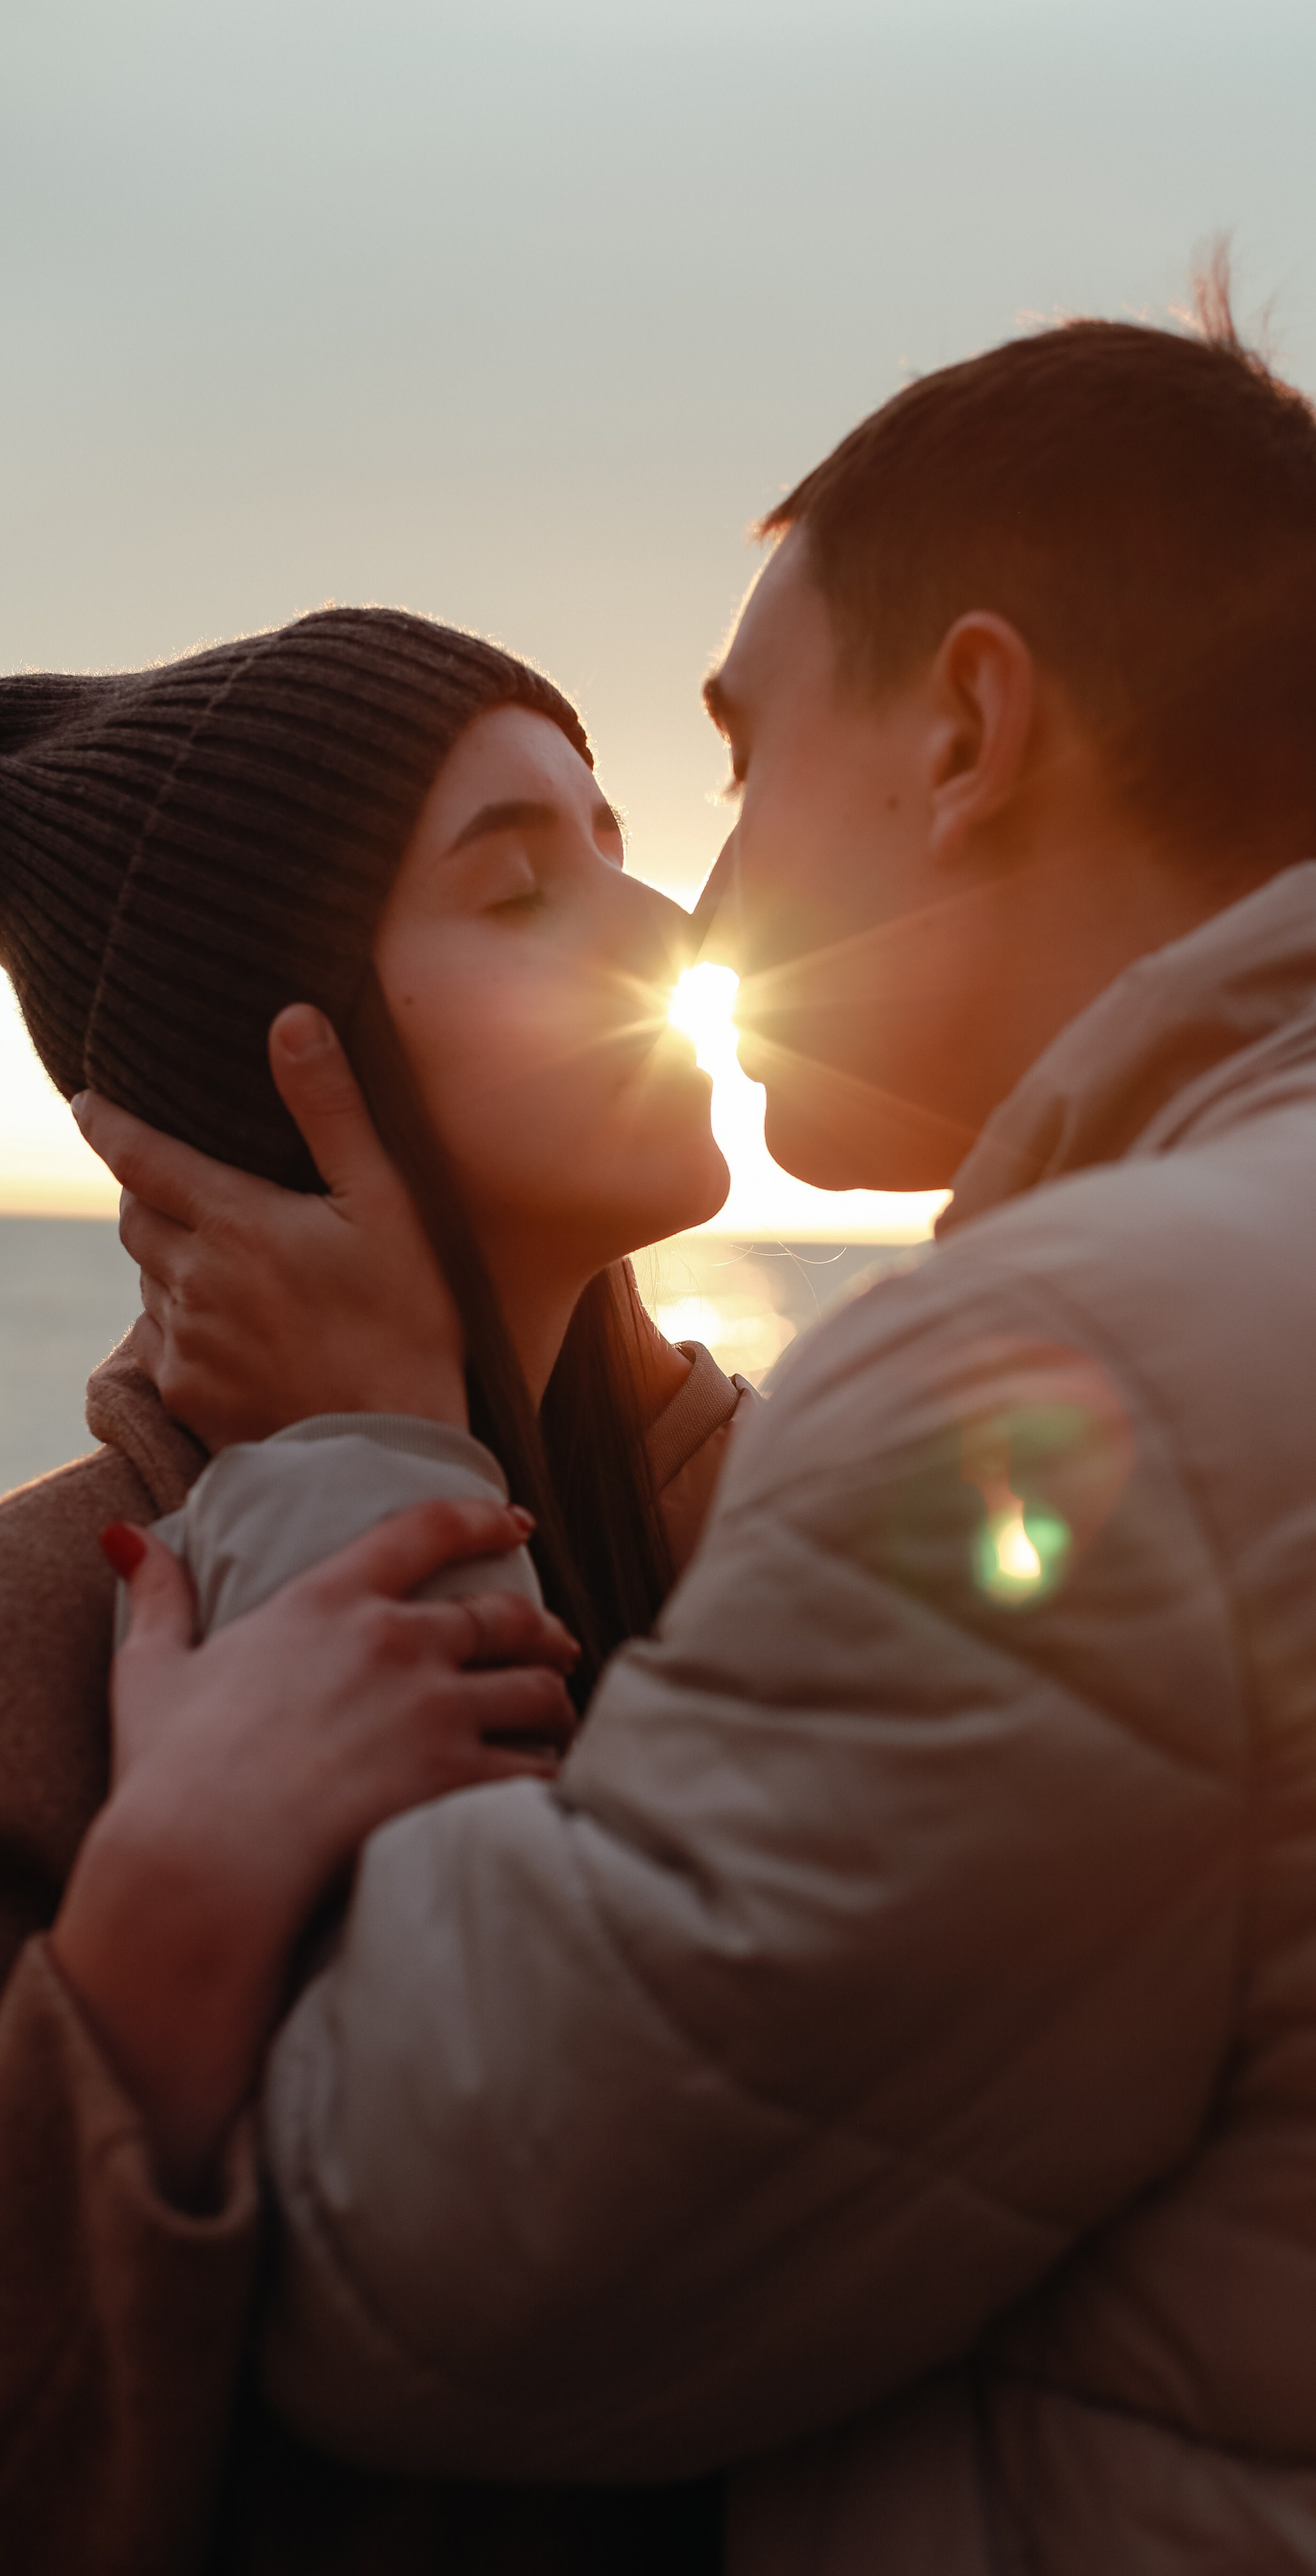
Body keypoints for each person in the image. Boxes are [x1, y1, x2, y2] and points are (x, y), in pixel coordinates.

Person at [79, 286, 1316, 2572]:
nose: (705, 914)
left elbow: (435, 2269)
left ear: (968, 729)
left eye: (733, 772)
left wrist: (363, 1453)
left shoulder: (1084, 1375)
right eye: (526, 880)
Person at [0, 606, 743, 2572]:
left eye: (608, 836)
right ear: (279, 1061)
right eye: (518, 886)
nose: (661, 919)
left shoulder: (801, 1524)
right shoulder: (43, 1641)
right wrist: (148, 1971)